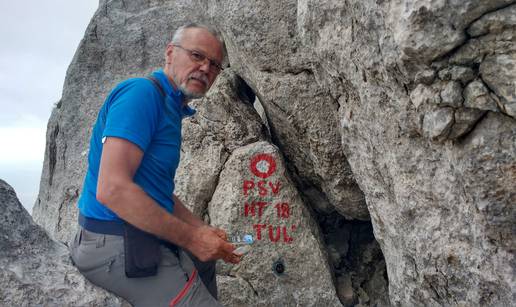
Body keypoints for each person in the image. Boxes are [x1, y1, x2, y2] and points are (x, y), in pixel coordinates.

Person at [70, 23, 241, 307]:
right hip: (112, 242)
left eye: (214, 64)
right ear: (170, 53)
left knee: (204, 260)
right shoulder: (141, 94)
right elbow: (112, 189)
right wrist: (192, 238)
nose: (205, 68)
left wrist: (201, 230)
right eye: (197, 56)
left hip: (132, 234)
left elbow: (153, 190)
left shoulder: (169, 106)